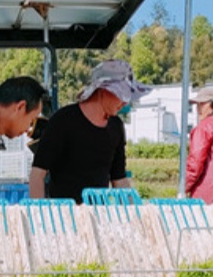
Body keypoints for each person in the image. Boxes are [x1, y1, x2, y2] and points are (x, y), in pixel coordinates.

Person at [29, 59, 150, 202]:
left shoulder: (116, 126)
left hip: (98, 215)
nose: (124, 103)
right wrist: (39, 214)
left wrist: (135, 213)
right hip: (64, 214)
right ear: (103, 91)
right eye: (120, 95)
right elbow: (38, 174)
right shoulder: (63, 121)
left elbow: (119, 179)